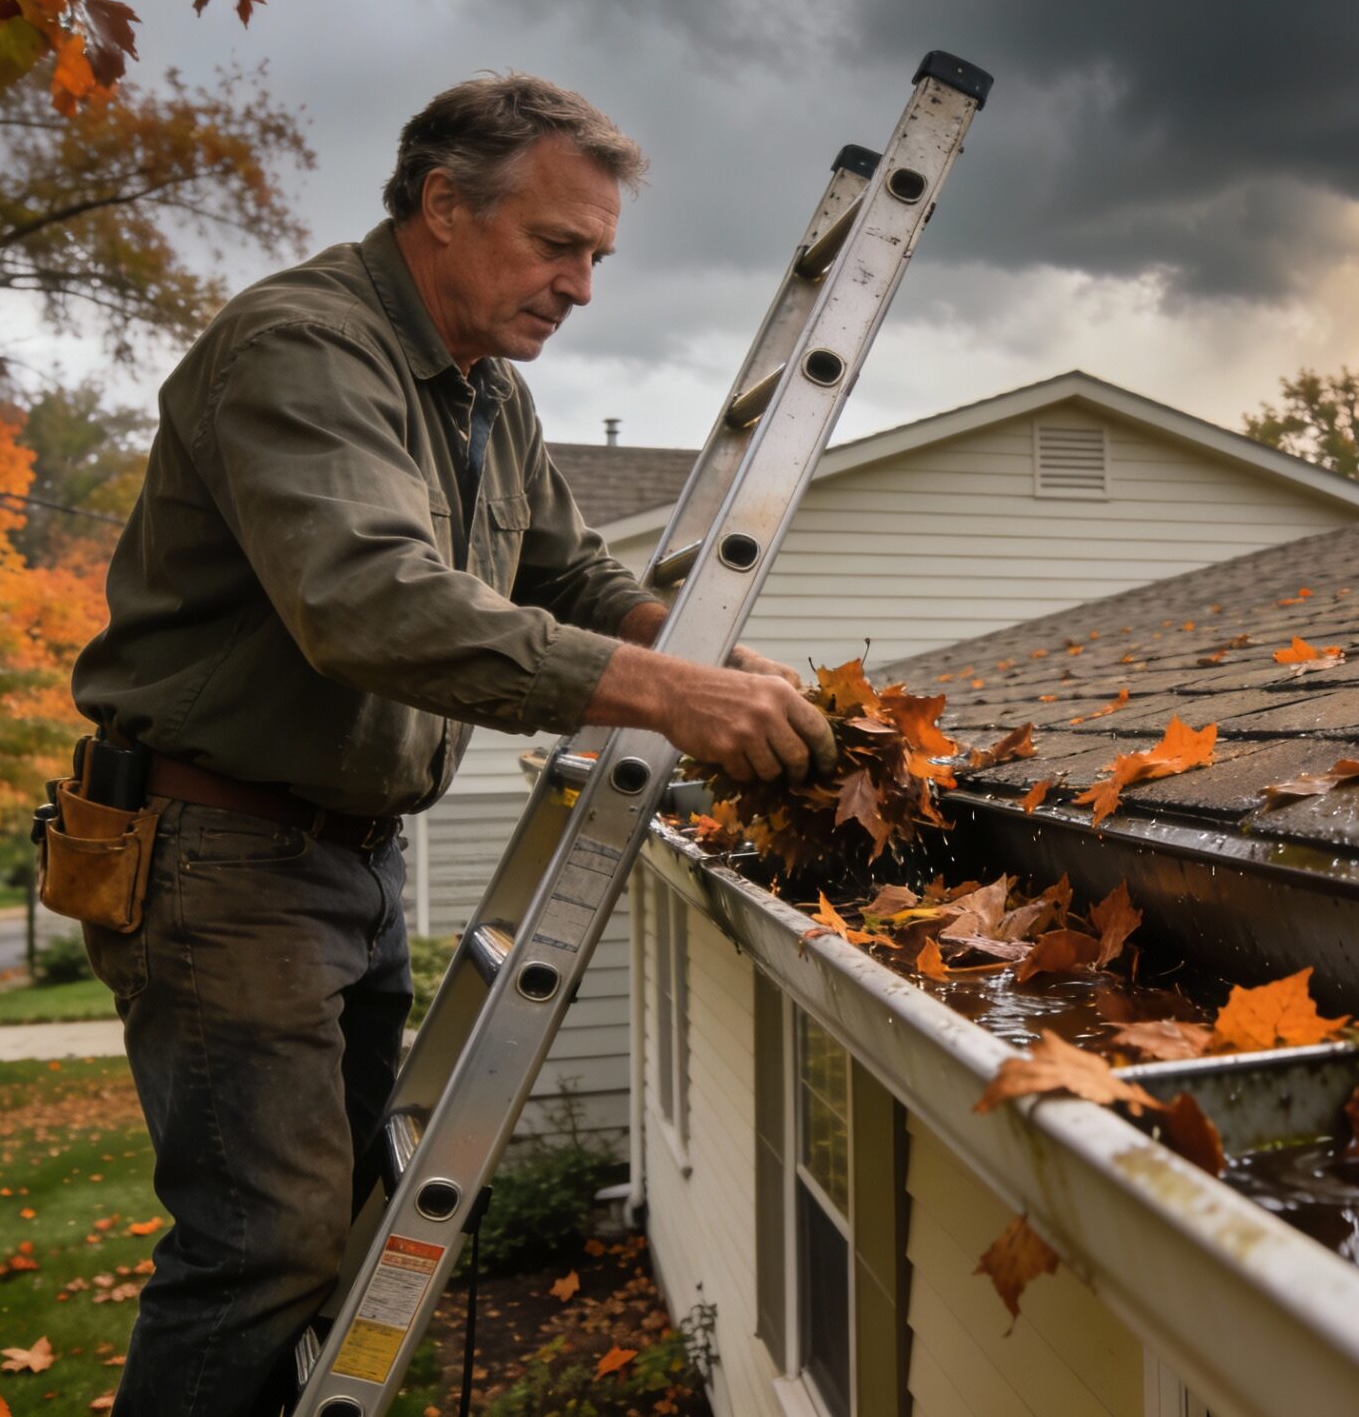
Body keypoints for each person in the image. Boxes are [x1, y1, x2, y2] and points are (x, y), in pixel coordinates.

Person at [69, 72, 835, 1415]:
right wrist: (669, 699)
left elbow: (573, 579)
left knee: (343, 1231)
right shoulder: (302, 349)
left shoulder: (486, 392)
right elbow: (371, 606)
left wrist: (710, 654)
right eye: (558, 245)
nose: (583, 286)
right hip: (220, 855)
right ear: (441, 204)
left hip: (340, 861)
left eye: (598, 255)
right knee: (263, 1249)